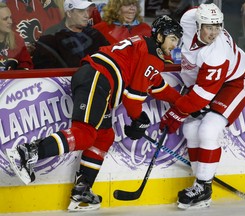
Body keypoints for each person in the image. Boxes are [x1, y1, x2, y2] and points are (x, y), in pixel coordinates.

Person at [6, 15, 183, 211]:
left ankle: (82, 189)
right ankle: (26, 152)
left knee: (104, 136)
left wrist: (182, 102)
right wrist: (138, 119)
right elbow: (133, 99)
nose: (175, 44)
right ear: (159, 37)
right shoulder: (152, 56)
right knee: (84, 133)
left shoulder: (145, 47)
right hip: (99, 79)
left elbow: (157, 86)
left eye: (177, 40)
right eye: (173, 38)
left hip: (98, 79)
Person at [159, 3, 245, 209]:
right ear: (198, 24)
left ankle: (203, 185)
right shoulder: (189, 19)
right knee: (190, 128)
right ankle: (200, 185)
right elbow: (196, 8)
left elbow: (201, 97)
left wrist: (176, 112)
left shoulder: (216, 54)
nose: (214, 32)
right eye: (209, 27)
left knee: (209, 128)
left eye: (218, 27)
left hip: (234, 84)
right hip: (206, 82)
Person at [32, 0, 110, 69]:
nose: (86, 15)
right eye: (81, 11)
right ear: (69, 13)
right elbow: (44, 70)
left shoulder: (94, 34)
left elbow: (109, 58)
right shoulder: (50, 37)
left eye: (87, 11)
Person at [0, 2, 33, 71]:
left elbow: (26, 65)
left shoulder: (18, 40)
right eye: (5, 19)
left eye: (10, 18)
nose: (10, 22)